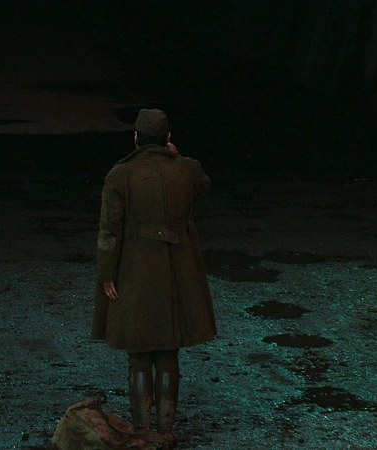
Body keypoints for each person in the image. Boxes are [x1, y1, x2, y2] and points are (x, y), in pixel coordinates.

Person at [91, 109, 216, 447]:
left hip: (135, 268)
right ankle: (166, 430)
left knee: (139, 351)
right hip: (178, 268)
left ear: (135, 138)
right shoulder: (187, 170)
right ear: (167, 138)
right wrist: (179, 156)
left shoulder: (121, 174)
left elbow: (109, 230)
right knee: (168, 350)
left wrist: (106, 274)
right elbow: (204, 186)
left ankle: (143, 429)